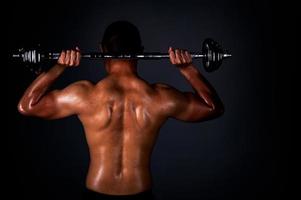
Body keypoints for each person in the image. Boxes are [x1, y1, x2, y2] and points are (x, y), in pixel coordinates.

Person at [17, 21, 224, 200]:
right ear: (140, 51)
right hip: (140, 194)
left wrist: (59, 67)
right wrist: (187, 69)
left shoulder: (85, 95)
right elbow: (213, 108)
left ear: (102, 50)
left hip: (95, 193)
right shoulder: (160, 97)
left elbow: (27, 106)